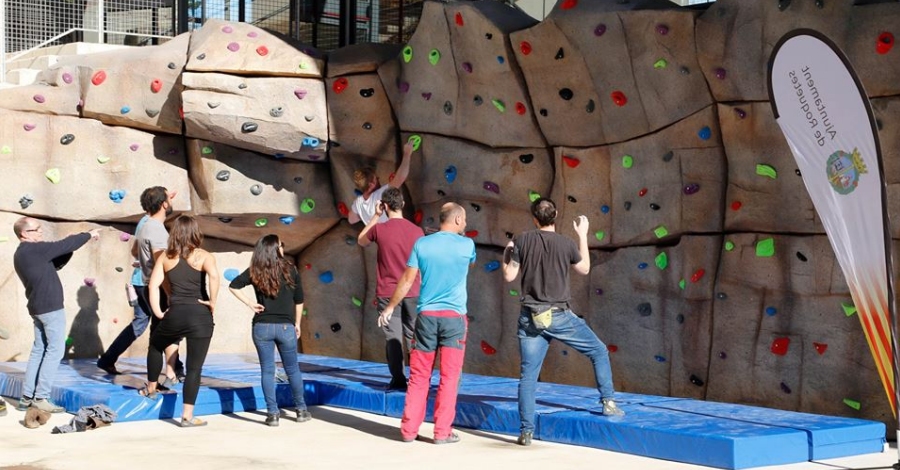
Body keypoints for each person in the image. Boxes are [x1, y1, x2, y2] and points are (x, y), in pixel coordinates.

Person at [502, 198, 625, 447]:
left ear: (534, 218)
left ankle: (526, 432)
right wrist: (582, 235)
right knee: (599, 351)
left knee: (528, 376)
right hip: (559, 316)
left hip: (530, 317)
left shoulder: (522, 240)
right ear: (556, 215)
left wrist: (508, 250)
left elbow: (509, 275)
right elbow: (585, 269)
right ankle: (609, 403)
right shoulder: (567, 244)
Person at [379, 203, 475, 444]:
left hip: (427, 318)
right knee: (449, 376)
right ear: (457, 220)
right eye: (464, 220)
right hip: (454, 319)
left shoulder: (422, 244)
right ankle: (442, 432)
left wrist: (390, 306)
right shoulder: (467, 245)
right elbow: (468, 264)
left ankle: (409, 430)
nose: (465, 224)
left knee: (420, 375)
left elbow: (406, 279)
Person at [13, 217, 100, 414]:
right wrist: (88, 235)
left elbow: (58, 260)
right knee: (55, 351)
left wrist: (69, 246)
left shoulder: (22, 253)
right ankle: (41, 396)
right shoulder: (34, 249)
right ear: (24, 234)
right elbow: (65, 245)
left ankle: (26, 397)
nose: (41, 232)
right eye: (36, 229)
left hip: (37, 307)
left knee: (39, 350)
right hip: (50, 308)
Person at [98, 187, 183, 384]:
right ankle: (173, 371)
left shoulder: (145, 224)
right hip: (154, 285)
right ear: (163, 204)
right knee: (164, 328)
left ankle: (110, 358)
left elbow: (136, 249)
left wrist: (144, 261)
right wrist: (170, 292)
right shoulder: (155, 228)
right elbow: (160, 263)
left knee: (148, 325)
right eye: (167, 200)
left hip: (143, 281)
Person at [141, 215, 219, 428]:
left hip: (175, 313)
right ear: (196, 233)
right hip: (200, 316)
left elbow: (153, 285)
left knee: (156, 345)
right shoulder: (204, 256)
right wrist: (212, 301)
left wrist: (158, 312)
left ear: (174, 234)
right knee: (194, 368)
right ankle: (187, 416)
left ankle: (151, 388)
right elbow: (214, 277)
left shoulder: (166, 257)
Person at [228, 234, 312, 427]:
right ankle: (301, 410)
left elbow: (233, 286)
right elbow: (299, 299)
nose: (283, 247)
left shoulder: (256, 271)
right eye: (281, 245)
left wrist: (251, 303)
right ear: (276, 249)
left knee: (267, 370)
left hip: (262, 326)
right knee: (292, 369)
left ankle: (272, 414)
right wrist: (297, 323)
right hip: (285, 327)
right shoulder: (290, 269)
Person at [358, 187, 424, 391]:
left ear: (384, 206)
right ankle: (418, 379)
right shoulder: (417, 231)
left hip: (388, 293)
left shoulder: (380, 229)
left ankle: (398, 379)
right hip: (413, 291)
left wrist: (375, 216)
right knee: (414, 336)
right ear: (402, 204)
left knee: (393, 337)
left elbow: (361, 240)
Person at [347, 140, 414, 225]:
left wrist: (363, 210)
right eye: (377, 179)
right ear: (371, 185)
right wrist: (407, 154)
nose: (379, 179)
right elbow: (400, 178)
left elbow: (351, 219)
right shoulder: (380, 195)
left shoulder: (358, 203)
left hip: (376, 237)